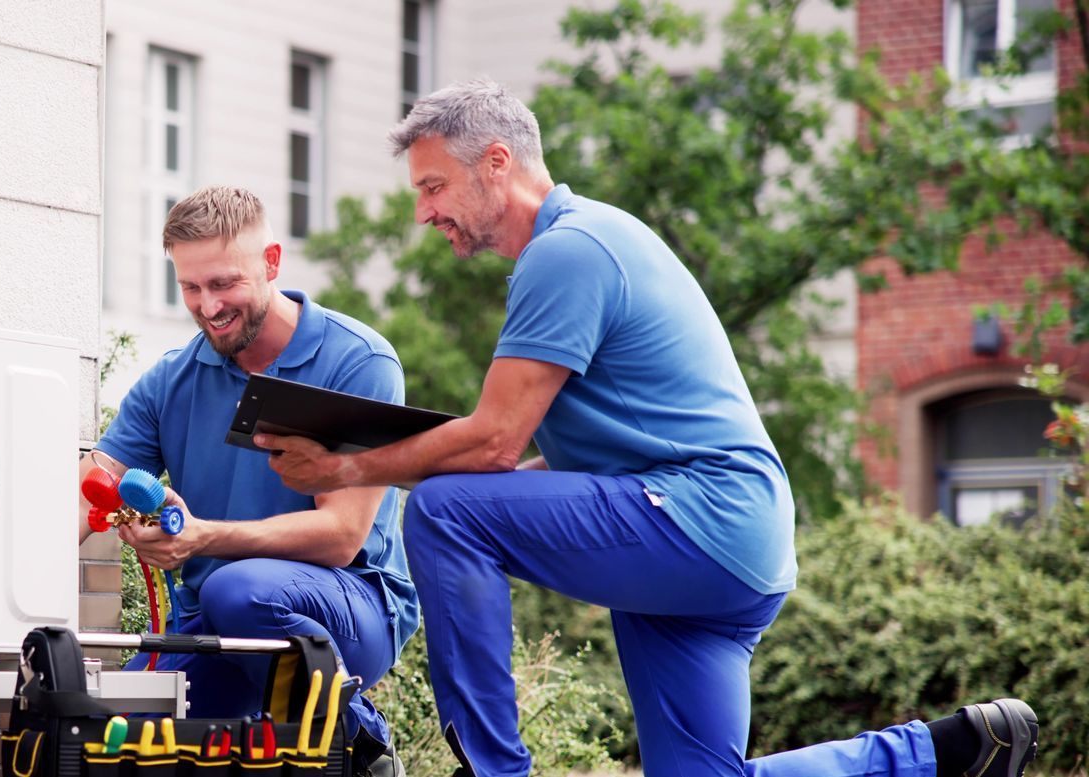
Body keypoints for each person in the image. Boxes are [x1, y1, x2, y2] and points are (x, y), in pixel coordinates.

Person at [257, 79, 1041, 777]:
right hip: (733, 542)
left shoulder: (566, 252)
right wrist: (394, 464)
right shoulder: (591, 239)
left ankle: (490, 768)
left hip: (698, 517)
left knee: (444, 509)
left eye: (433, 187)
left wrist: (347, 470)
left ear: (496, 163)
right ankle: (945, 750)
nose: (425, 212)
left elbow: (494, 443)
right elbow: (520, 466)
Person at [83, 185, 419, 775]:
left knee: (237, 590)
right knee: (107, 737)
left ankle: (360, 741)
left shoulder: (356, 363)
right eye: (190, 287)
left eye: (223, 284)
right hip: (214, 620)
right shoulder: (172, 380)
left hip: (350, 607)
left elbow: (341, 535)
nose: (207, 306)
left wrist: (203, 537)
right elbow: (93, 483)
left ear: (271, 263)